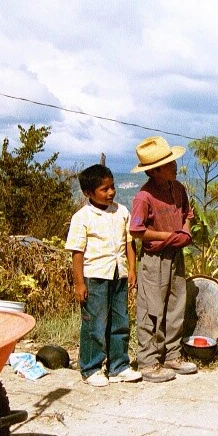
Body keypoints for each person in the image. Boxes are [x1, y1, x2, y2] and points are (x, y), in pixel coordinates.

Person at [65, 164, 143, 387]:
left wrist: (132, 270)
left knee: (120, 321)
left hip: (118, 274)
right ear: (89, 193)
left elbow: (129, 243)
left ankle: (119, 365)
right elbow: (77, 253)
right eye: (104, 189)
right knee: (95, 324)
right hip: (95, 276)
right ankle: (91, 367)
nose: (111, 193)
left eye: (112, 187)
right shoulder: (82, 217)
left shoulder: (122, 212)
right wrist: (79, 283)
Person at [130, 136, 197, 383]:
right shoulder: (144, 197)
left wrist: (185, 231)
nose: (175, 167)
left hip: (175, 255)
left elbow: (187, 215)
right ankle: (148, 360)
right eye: (169, 164)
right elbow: (136, 231)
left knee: (176, 304)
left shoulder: (178, 189)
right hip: (154, 258)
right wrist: (168, 236)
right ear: (155, 171)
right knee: (152, 308)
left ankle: (172, 354)